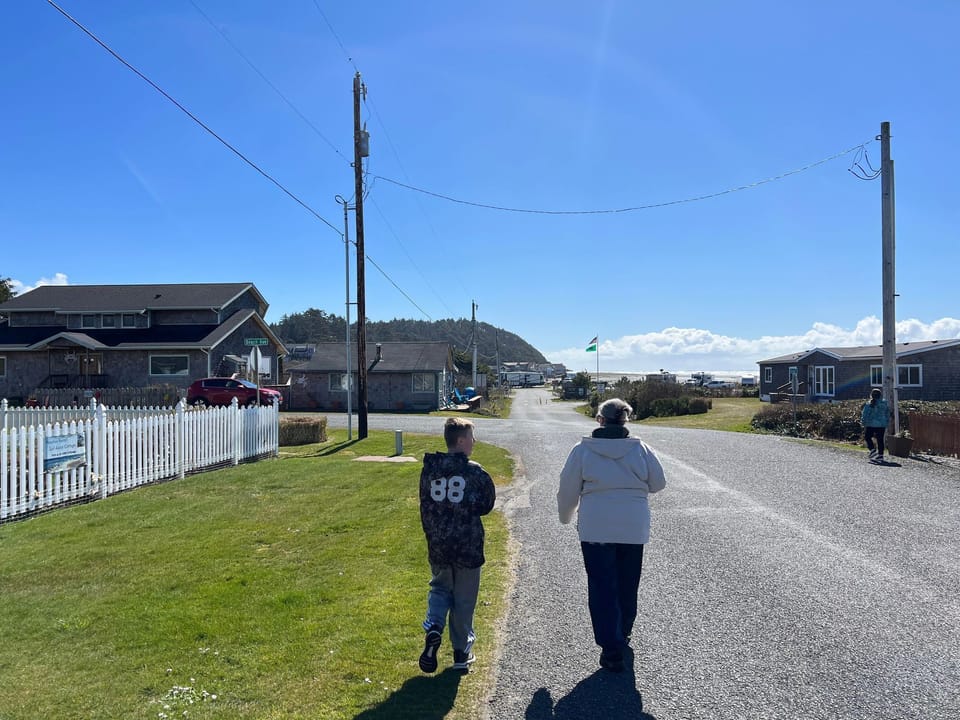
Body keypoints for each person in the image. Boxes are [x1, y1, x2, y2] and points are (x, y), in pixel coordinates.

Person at [557, 398, 666, 673]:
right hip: (632, 525)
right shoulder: (641, 449)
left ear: (600, 420)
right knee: (628, 582)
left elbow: (568, 489)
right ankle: (624, 631)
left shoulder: (583, 451)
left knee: (602, 585)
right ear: (625, 421)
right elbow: (658, 483)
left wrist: (565, 516)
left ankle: (611, 646)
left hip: (596, 527)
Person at [418, 417, 496, 673]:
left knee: (440, 589)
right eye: (472, 437)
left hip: (439, 543)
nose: (474, 442)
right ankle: (461, 653)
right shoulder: (474, 471)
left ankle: (435, 626)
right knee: (464, 600)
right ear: (461, 441)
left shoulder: (430, 469)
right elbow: (486, 504)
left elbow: (425, 504)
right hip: (467, 545)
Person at [861, 388, 891, 463]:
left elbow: (865, 414)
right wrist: (887, 422)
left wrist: (863, 422)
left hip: (871, 424)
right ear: (880, 395)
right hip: (882, 424)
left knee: (867, 437)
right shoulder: (884, 404)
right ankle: (880, 455)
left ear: (871, 395)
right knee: (880, 440)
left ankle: (872, 450)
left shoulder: (869, 404)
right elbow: (887, 413)